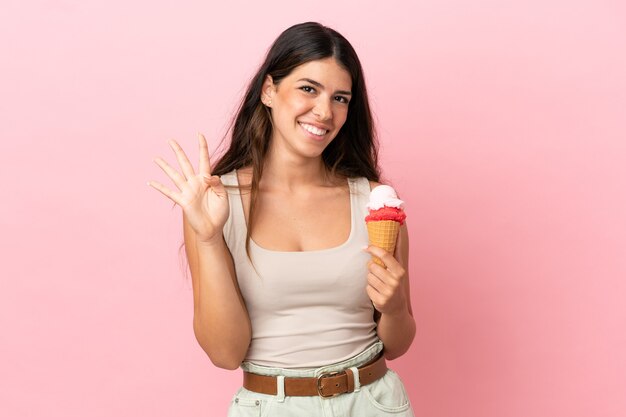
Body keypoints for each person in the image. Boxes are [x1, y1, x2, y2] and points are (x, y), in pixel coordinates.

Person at [148, 21, 416, 417]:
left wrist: (394, 308)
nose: (324, 111)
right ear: (269, 90)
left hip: (373, 403)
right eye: (308, 88)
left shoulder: (376, 202)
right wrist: (207, 238)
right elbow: (225, 353)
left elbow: (398, 342)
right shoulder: (216, 203)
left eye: (340, 97)